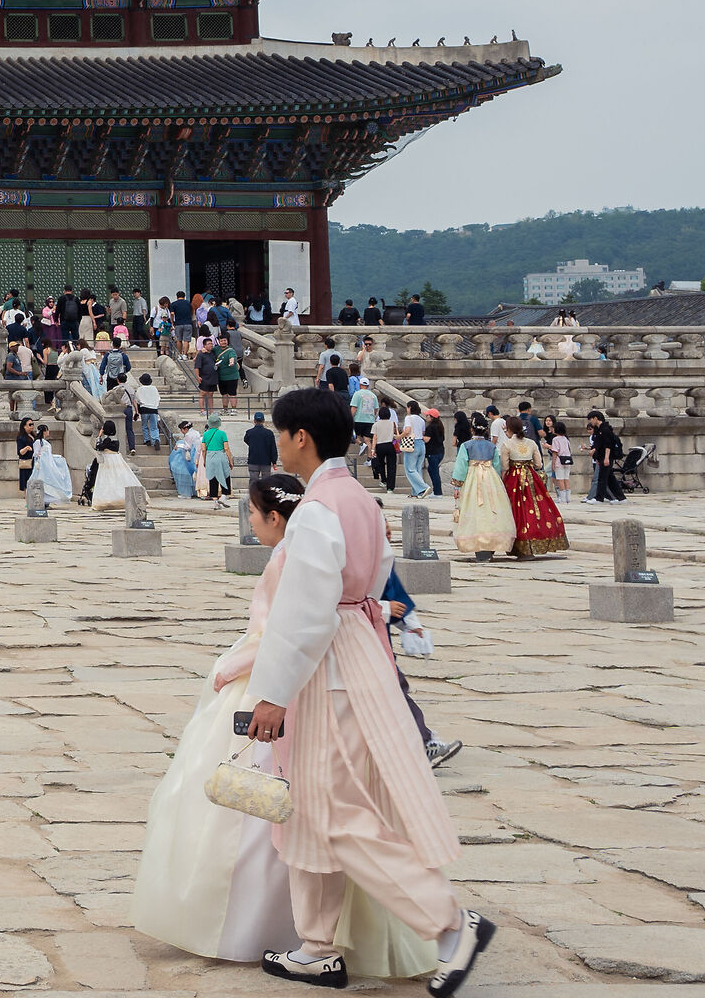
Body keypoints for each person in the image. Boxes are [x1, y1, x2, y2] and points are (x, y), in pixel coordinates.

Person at [132, 469, 435, 980]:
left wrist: (233, 666)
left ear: (275, 516)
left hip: (282, 679)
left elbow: (287, 628)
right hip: (344, 671)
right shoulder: (354, 512)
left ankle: (276, 930)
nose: (250, 522)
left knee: (268, 805)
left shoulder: (289, 554)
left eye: (253, 513)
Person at [239, 388, 492, 995]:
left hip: (330, 667)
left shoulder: (319, 508)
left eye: (280, 433)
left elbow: (304, 610)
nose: (277, 444)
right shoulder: (359, 499)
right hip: (357, 645)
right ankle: (318, 944)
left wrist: (272, 691)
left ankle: (448, 922)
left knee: (336, 810)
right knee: (313, 806)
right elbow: (374, 577)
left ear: (301, 436)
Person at [497, 427, 569, 559]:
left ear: (510, 430)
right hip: (531, 478)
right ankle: (536, 539)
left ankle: (519, 544)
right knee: (537, 507)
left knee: (516, 511)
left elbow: (505, 466)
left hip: (514, 479)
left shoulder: (507, 444)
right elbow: (538, 464)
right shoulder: (531, 443)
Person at [450, 416, 515, 560]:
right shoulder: (491, 446)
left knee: (475, 509)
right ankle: (493, 541)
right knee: (492, 509)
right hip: (490, 478)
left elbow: (461, 467)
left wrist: (457, 485)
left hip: (473, 478)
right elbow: (497, 466)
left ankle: (478, 543)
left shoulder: (466, 446)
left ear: (471, 430)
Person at [89, 434, 144, 511]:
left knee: (106, 481)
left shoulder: (107, 440)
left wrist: (99, 436)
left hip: (107, 462)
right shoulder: (116, 440)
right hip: (117, 460)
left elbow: (98, 447)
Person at [587, 411, 628, 502]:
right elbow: (598, 444)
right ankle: (621, 498)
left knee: (602, 478)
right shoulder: (598, 430)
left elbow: (608, 445)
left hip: (607, 456)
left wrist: (606, 458)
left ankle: (599, 498)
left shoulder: (605, 429)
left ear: (595, 418)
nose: (591, 422)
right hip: (601, 456)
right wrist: (595, 454)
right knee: (610, 478)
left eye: (591, 419)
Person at [29, 421, 73, 504]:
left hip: (48, 464)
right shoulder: (38, 442)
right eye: (47, 430)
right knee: (42, 481)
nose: (48, 432)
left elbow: (48, 455)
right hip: (42, 465)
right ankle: (41, 500)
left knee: (51, 480)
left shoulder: (45, 442)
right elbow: (36, 454)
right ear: (44, 431)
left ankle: (47, 501)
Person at [201, 418, 233, 503]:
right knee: (225, 475)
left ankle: (214, 499)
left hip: (210, 456)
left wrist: (204, 460)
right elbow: (226, 448)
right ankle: (223, 495)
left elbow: (203, 449)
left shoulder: (205, 434)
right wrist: (230, 461)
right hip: (221, 456)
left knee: (213, 477)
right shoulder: (222, 434)